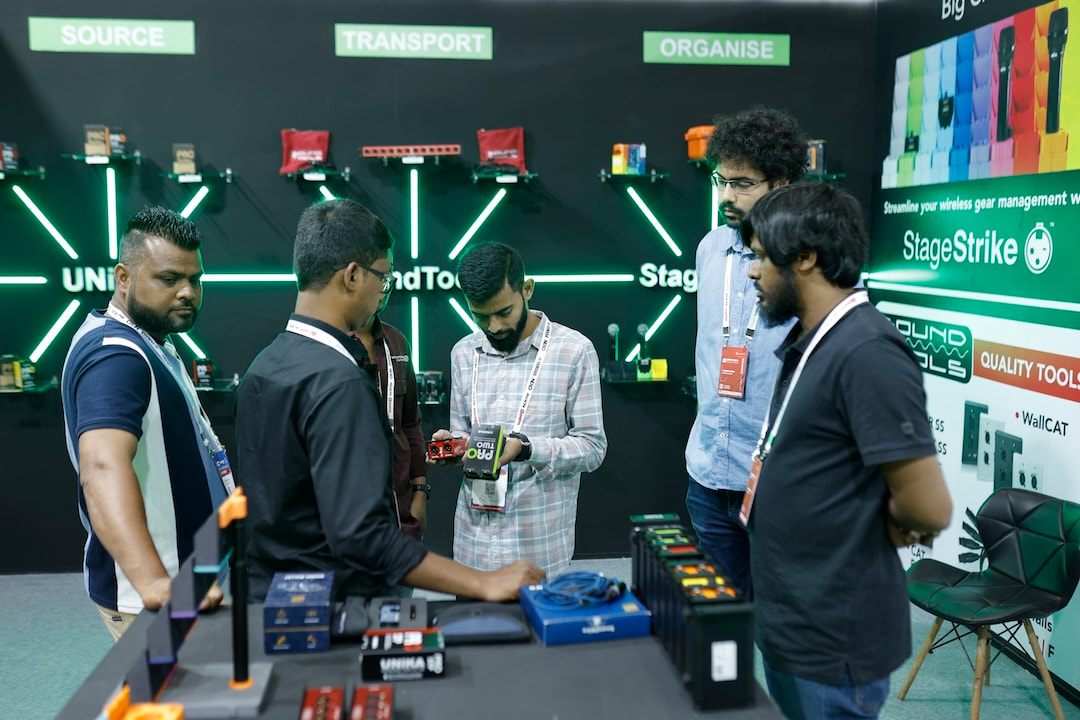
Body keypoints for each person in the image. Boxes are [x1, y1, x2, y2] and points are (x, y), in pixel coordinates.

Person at [235, 199, 542, 602]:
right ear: (352, 276)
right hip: (339, 604)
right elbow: (363, 537)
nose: (384, 290)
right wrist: (483, 582)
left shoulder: (265, 365)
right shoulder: (338, 381)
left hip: (274, 599)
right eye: (383, 278)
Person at [741, 183, 953, 720]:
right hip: (795, 615)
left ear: (806, 257)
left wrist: (891, 516)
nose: (752, 272)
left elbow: (929, 508)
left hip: (833, 631)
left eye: (761, 258)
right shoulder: (815, 339)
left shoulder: (867, 351)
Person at [61, 207, 230, 640]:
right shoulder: (115, 355)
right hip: (154, 600)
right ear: (124, 277)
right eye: (169, 279)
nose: (187, 292)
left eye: (195, 279)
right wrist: (155, 582)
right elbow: (102, 467)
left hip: (182, 585)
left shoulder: (148, 341)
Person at [684, 106, 809, 595]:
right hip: (708, 476)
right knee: (722, 623)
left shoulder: (811, 261)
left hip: (781, 486)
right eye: (720, 179)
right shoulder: (711, 249)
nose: (724, 196)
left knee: (785, 625)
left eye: (742, 184)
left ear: (779, 184)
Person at [431, 242, 607, 576]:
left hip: (538, 549)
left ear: (527, 290)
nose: (494, 326)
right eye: (480, 316)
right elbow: (464, 432)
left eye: (503, 312)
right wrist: (454, 446)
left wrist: (526, 449)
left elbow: (593, 448)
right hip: (472, 547)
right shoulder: (463, 353)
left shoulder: (574, 351)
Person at [351, 294, 428, 550]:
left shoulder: (396, 342)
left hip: (400, 513)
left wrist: (420, 492)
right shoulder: (329, 345)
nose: (382, 290)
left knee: (401, 589)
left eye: (388, 280)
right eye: (379, 279)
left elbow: (410, 423)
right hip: (351, 513)